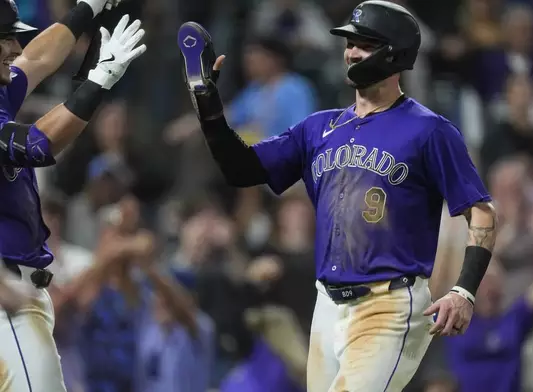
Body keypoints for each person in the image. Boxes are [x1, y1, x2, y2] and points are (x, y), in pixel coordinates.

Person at [177, 1, 497, 391]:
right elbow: (240, 169)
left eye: (364, 42)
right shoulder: (318, 127)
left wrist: (463, 289)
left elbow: (481, 212)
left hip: (389, 303)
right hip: (327, 304)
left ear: (394, 51)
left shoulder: (429, 130)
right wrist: (209, 110)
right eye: (349, 42)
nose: (351, 51)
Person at [0, 0, 146, 390]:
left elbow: (35, 60)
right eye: (4, 38)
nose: (14, 47)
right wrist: (99, 81)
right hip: (5, 299)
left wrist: (87, 7)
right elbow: (37, 145)